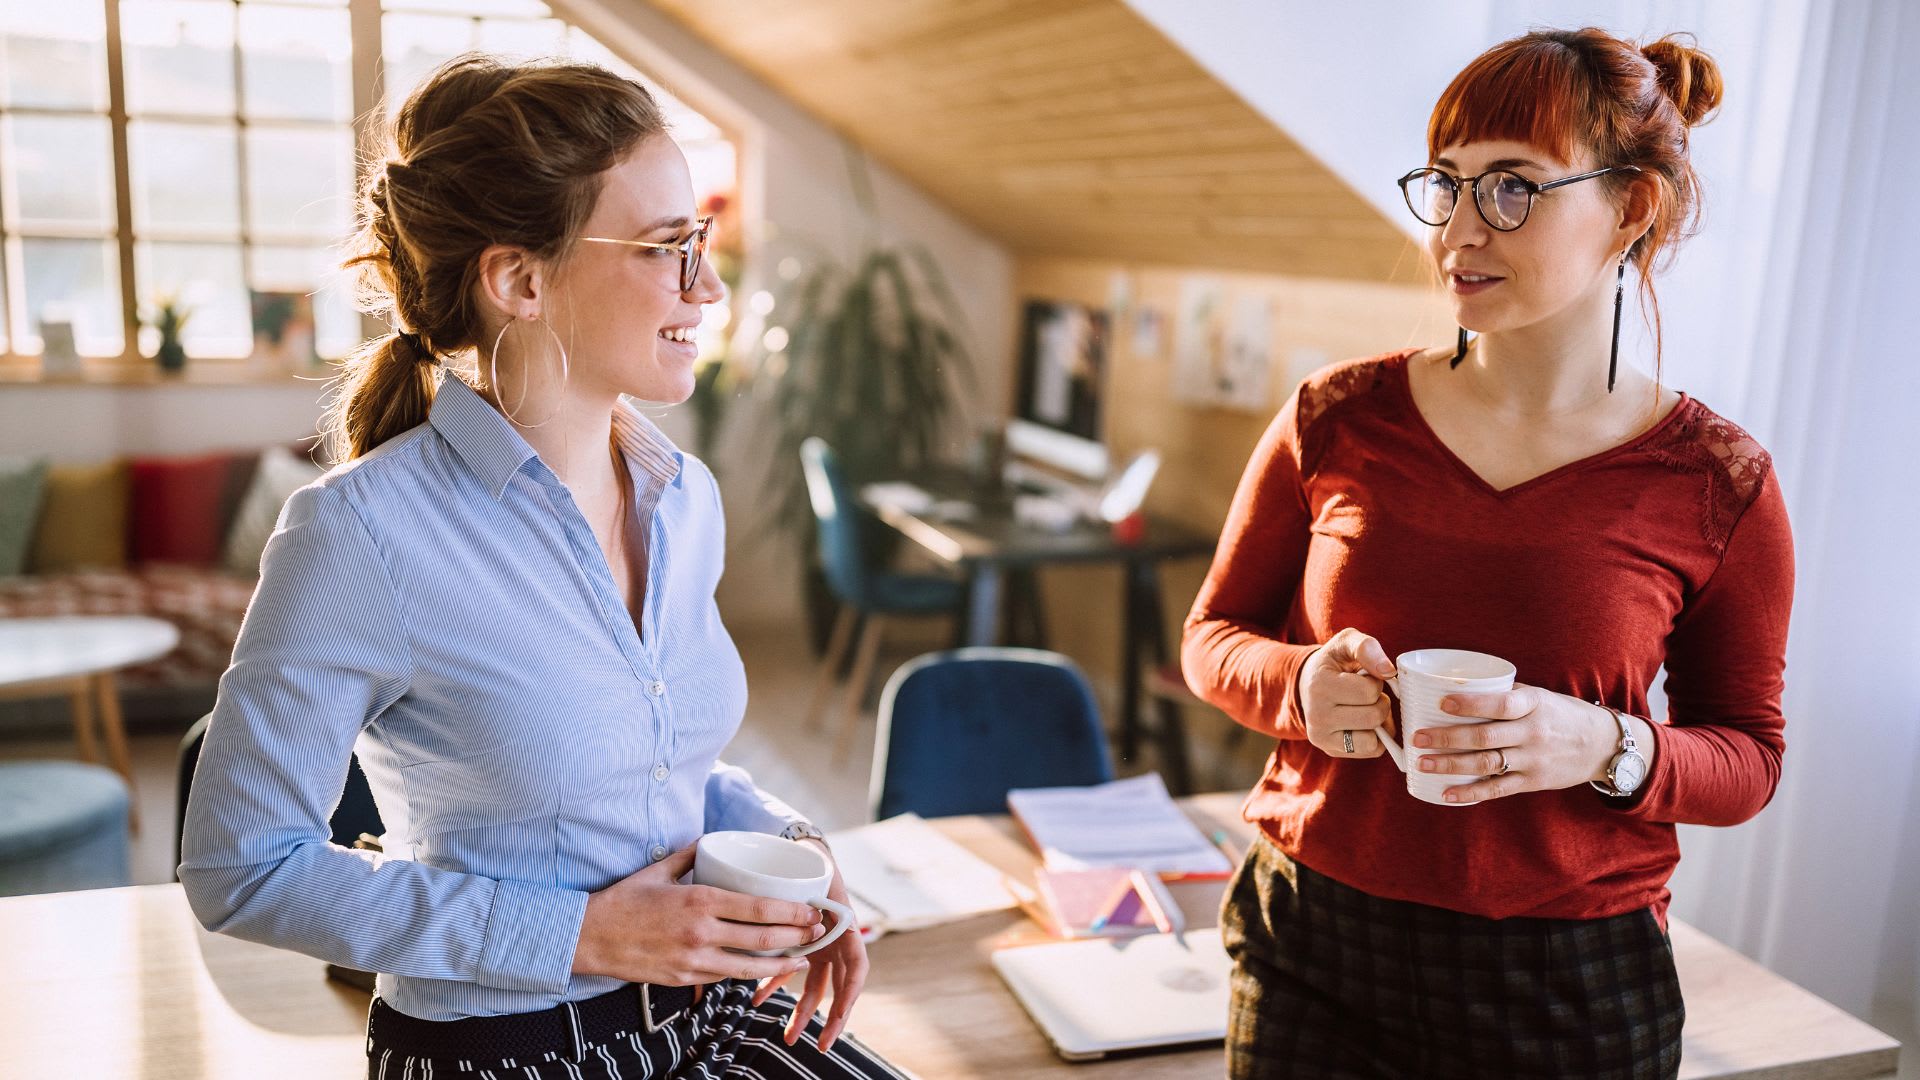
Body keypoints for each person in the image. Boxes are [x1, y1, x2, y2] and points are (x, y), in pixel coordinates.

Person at [180, 54, 906, 1080]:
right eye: (665, 249)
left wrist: (791, 845)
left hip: (701, 1013)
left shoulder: (684, 495)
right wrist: (585, 936)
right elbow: (238, 869)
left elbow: (648, 767)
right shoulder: (360, 534)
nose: (707, 285)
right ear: (520, 279)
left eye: (699, 240)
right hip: (503, 1055)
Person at [1182, 28, 1793, 1080]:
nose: (1459, 231)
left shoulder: (1716, 481)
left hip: (1566, 982)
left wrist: (1608, 747)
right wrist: (1297, 686)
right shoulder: (1334, 417)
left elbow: (1747, 759)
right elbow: (1211, 639)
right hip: (1312, 941)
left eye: (1513, 188)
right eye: (1449, 185)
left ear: (1632, 208)